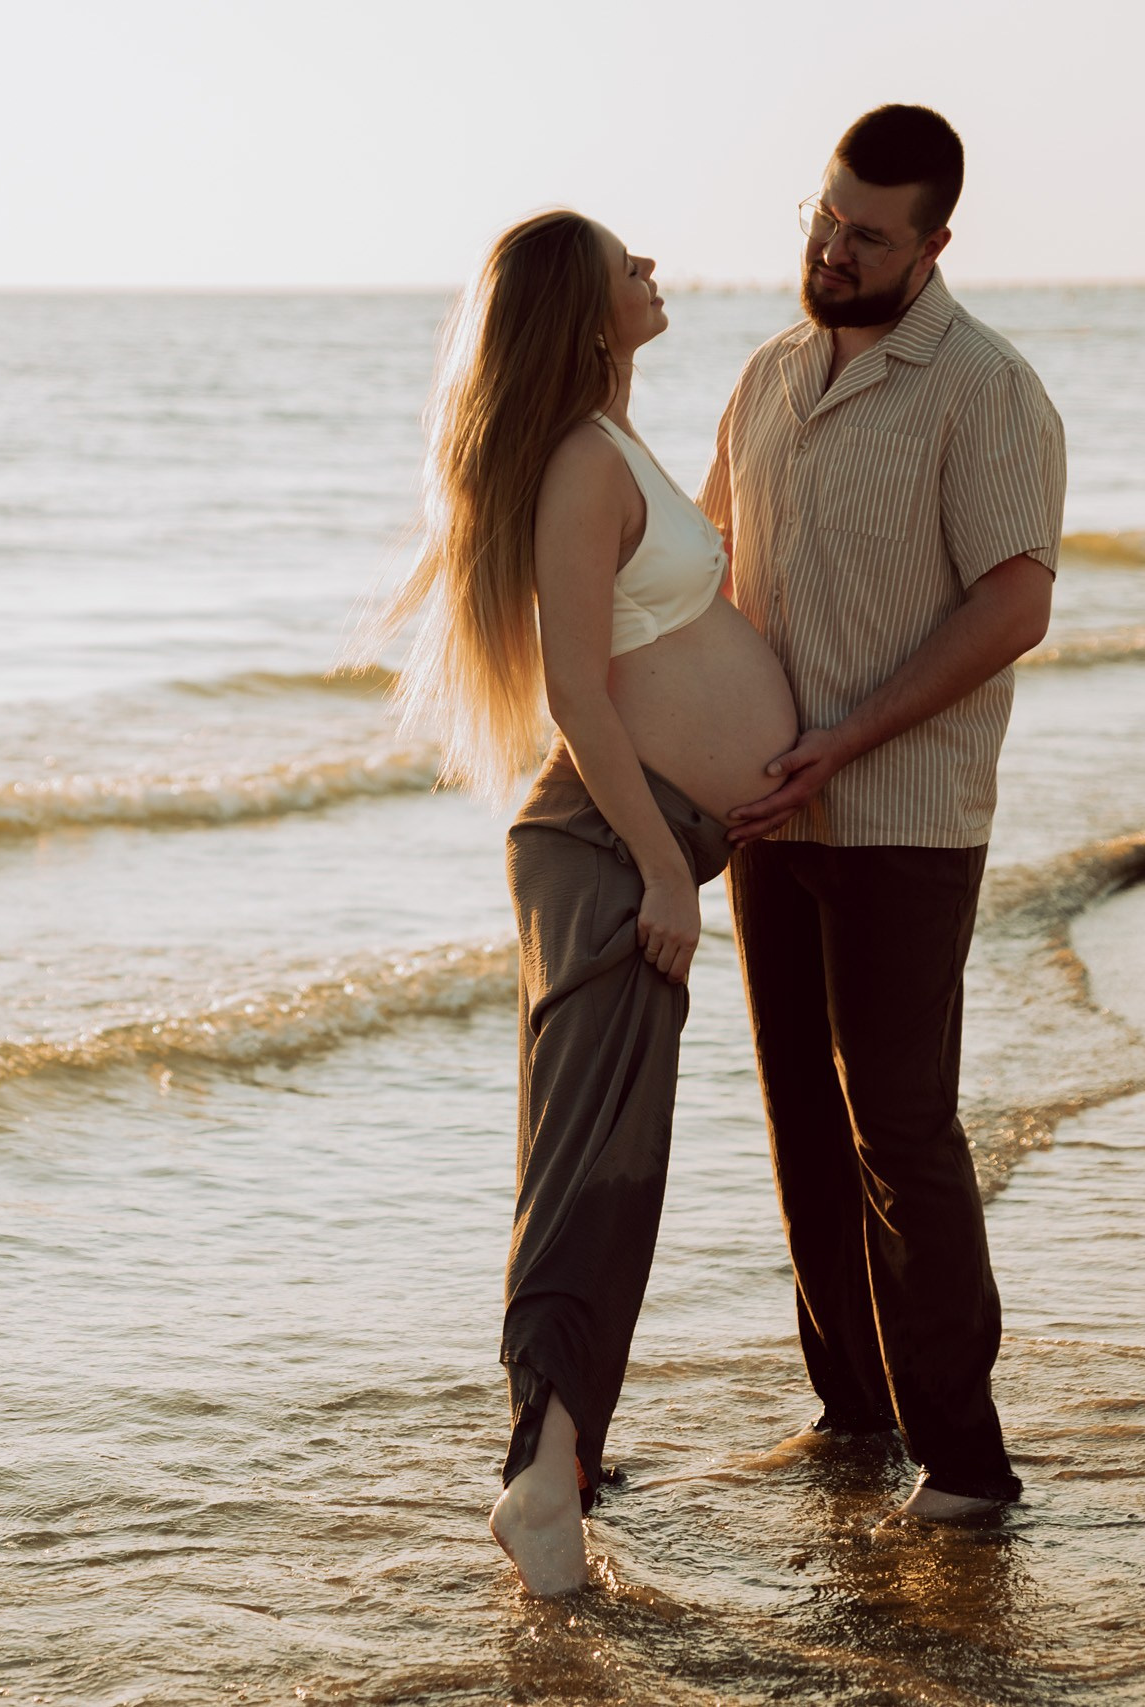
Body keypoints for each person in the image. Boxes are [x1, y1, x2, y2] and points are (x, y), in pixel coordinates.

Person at [370, 210, 797, 1594]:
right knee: (597, 1165)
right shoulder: (575, 467)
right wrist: (669, 866)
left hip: (638, 844)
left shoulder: (612, 444)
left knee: (613, 1158)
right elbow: (576, 693)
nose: (655, 273)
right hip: (611, 849)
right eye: (630, 266)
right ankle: (541, 1486)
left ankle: (559, 1462)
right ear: (582, 307)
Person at [700, 104, 1066, 1521]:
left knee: (899, 1125)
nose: (831, 248)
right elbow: (706, 566)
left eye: (865, 233)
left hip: (908, 813)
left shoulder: (987, 388)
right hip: (766, 818)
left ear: (933, 244)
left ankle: (967, 1461)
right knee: (802, 1122)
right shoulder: (769, 376)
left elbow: (1016, 601)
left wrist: (847, 736)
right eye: (823, 216)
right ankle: (853, 1419)